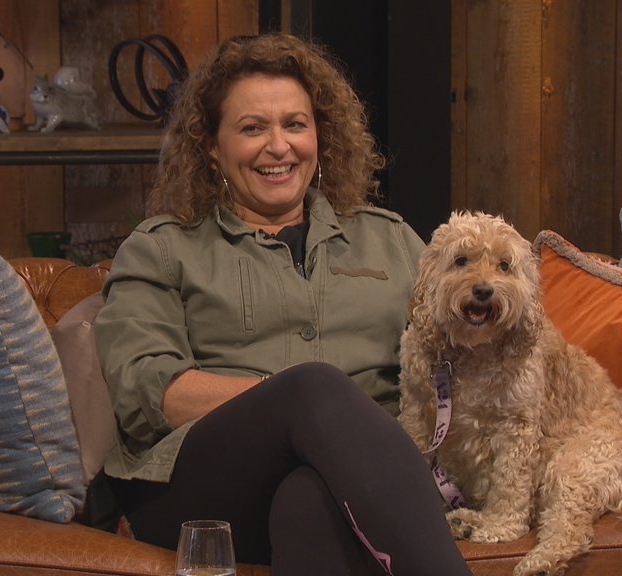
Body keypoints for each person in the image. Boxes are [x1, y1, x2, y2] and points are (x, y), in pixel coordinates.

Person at [94, 33, 472, 576]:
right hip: (199, 487)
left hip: (365, 484)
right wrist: (296, 406)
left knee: (309, 498)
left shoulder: (389, 239)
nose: (279, 146)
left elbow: (466, 354)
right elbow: (148, 390)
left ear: (320, 134)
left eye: (295, 124)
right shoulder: (161, 248)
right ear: (211, 146)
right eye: (252, 128)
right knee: (313, 387)